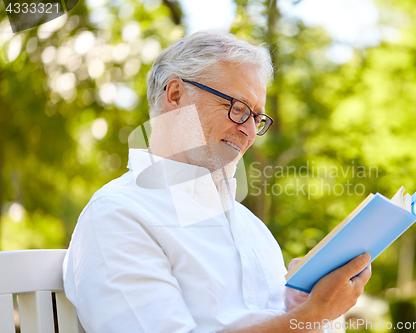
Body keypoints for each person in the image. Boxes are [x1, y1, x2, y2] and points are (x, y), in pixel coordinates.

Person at [63, 30, 371, 333]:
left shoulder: (254, 232)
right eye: (238, 109)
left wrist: (299, 303)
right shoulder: (118, 215)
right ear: (175, 95)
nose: (249, 132)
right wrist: (315, 314)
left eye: (257, 118)